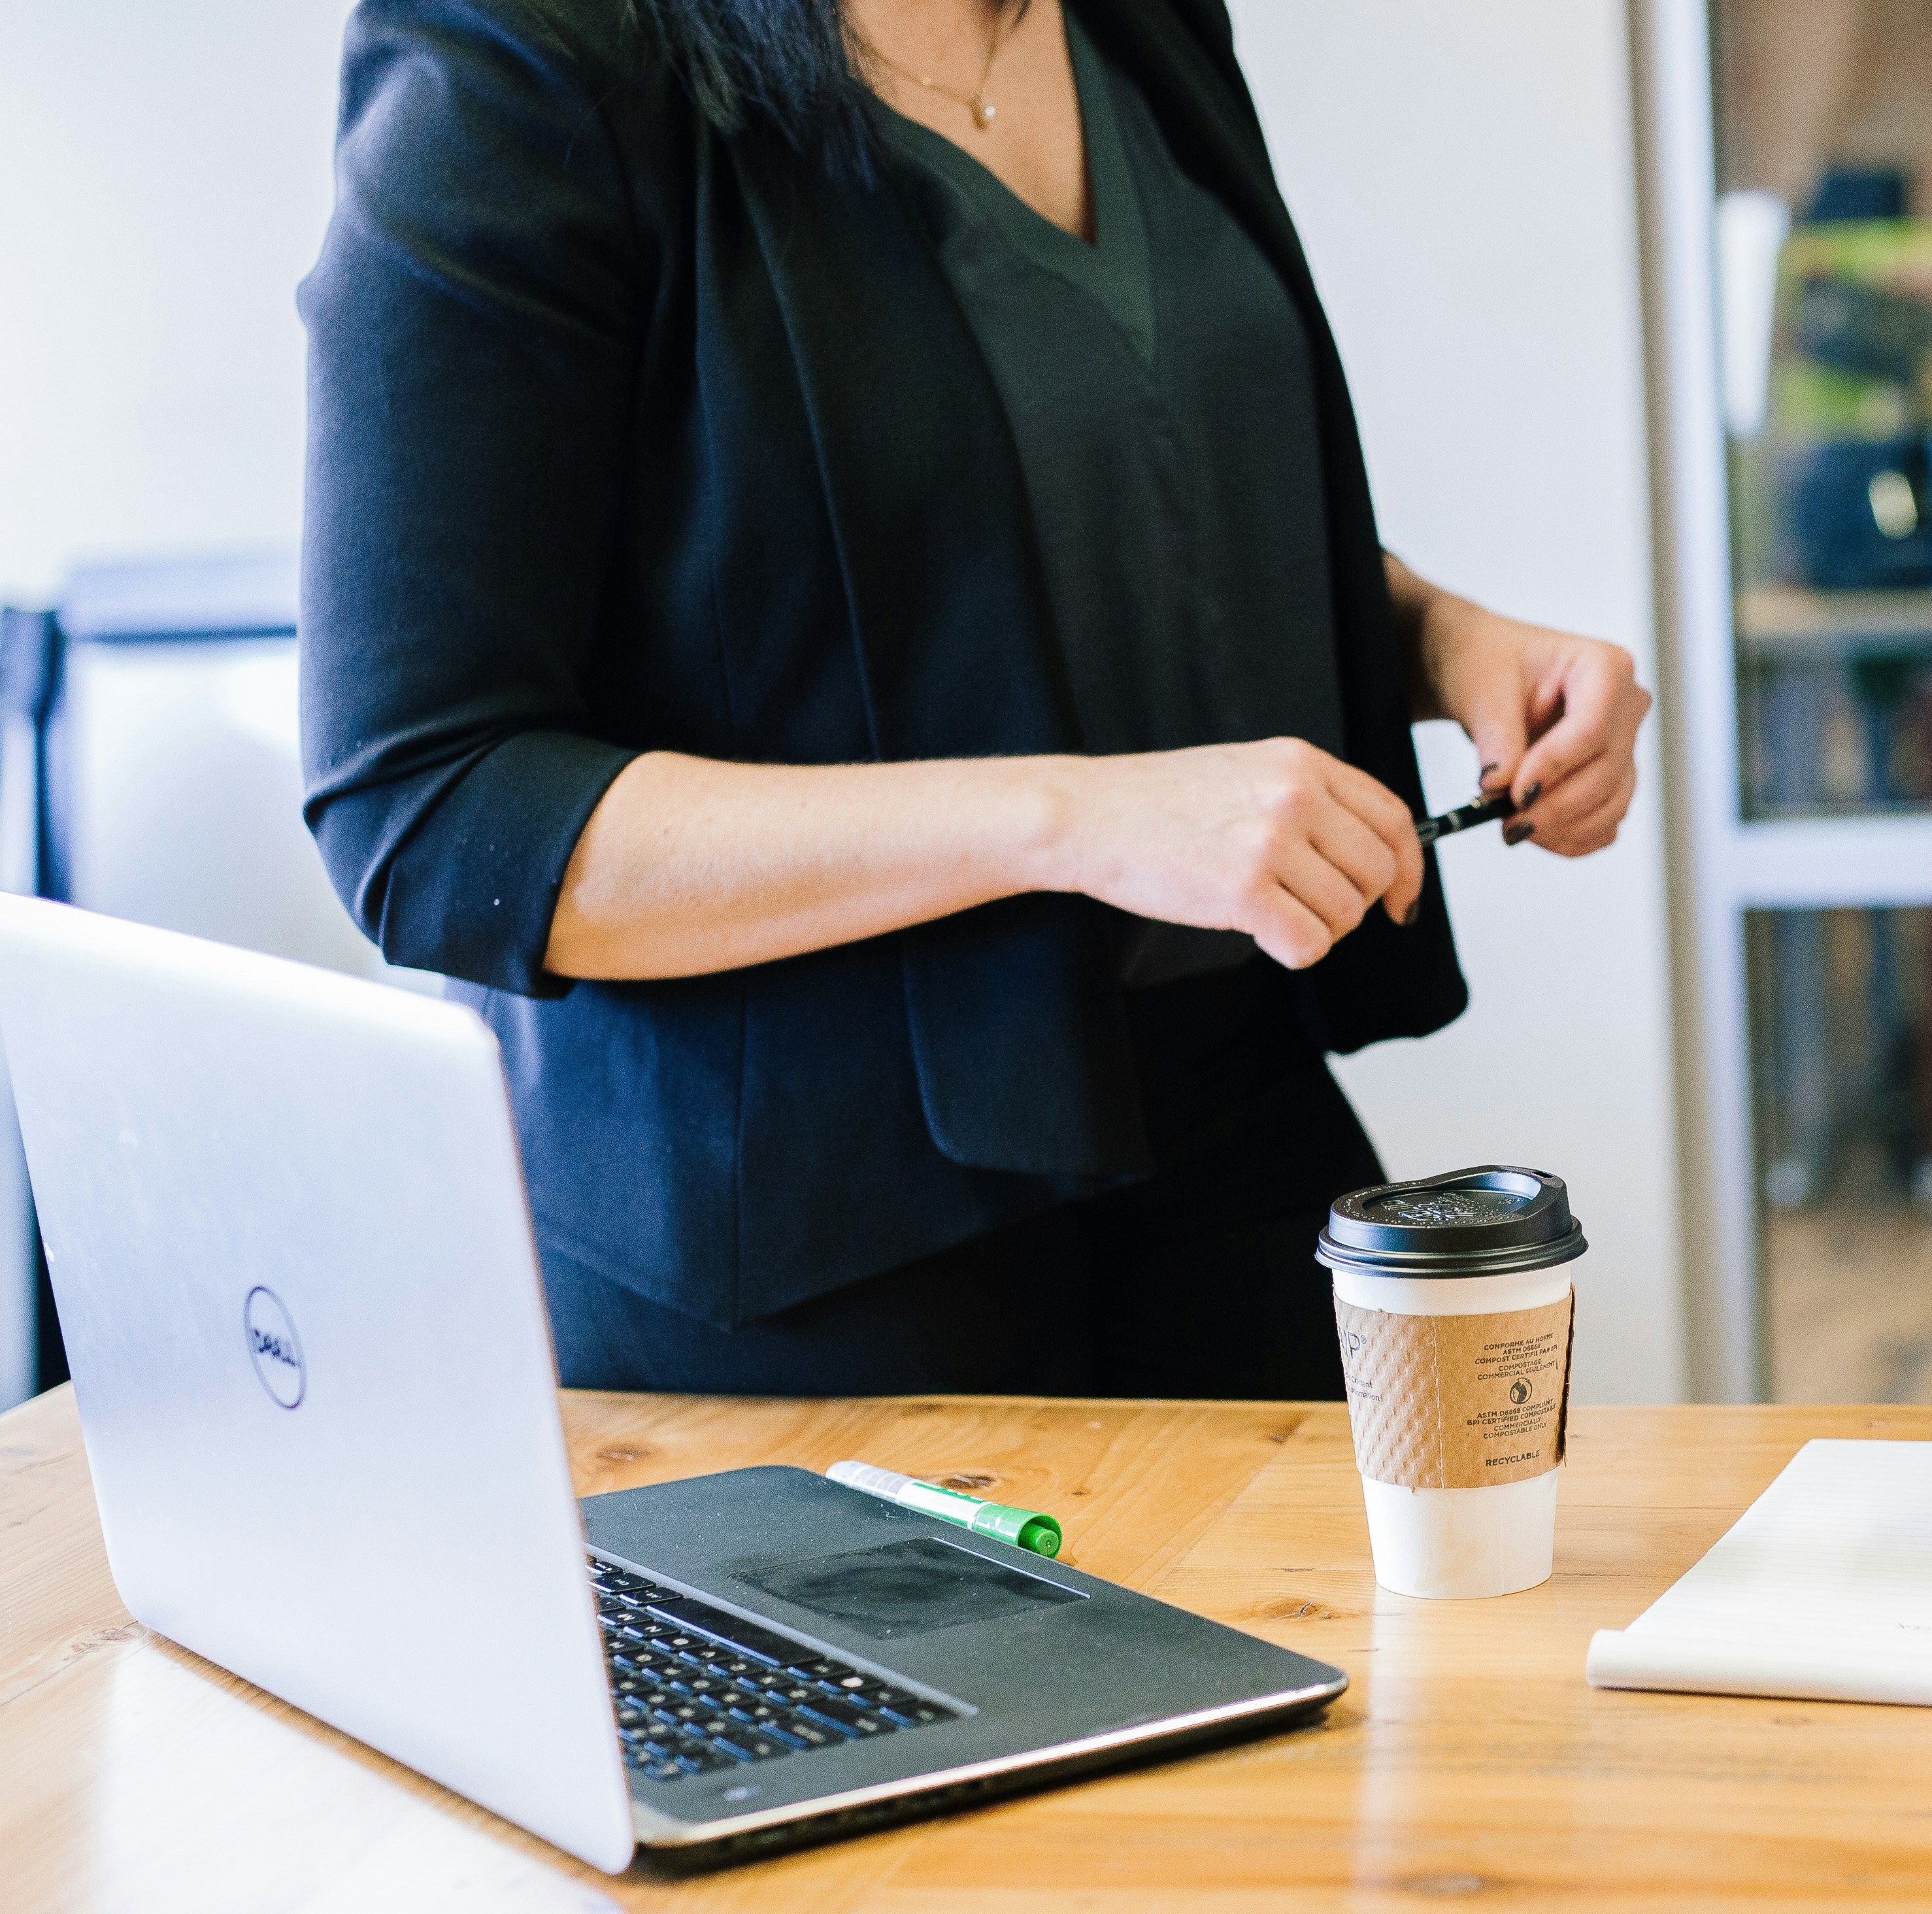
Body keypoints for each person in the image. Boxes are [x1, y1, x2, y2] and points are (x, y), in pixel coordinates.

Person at [299, 0, 1650, 1399]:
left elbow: (1059, 500)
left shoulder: (1139, 23)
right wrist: (1068, 816)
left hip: (1226, 1118)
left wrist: (1437, 639)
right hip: (817, 1235)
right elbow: (433, 810)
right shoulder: (520, 59)